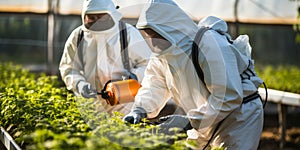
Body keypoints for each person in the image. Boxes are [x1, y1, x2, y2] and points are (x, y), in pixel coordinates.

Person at [123, 0, 264, 149]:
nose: (153, 41)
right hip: (203, 117)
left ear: (170, 27)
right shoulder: (162, 55)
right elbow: (154, 86)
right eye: (148, 35)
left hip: (237, 117)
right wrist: (139, 109)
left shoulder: (208, 43)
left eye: (156, 34)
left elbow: (228, 96)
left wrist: (187, 121)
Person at [59, 0, 152, 114]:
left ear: (112, 14)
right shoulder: (78, 36)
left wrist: (134, 76)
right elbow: (68, 68)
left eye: (101, 17)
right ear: (84, 16)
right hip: (90, 105)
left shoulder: (127, 34)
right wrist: (79, 84)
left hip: (124, 104)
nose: (96, 21)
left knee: (122, 130)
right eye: (91, 17)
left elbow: (149, 64)